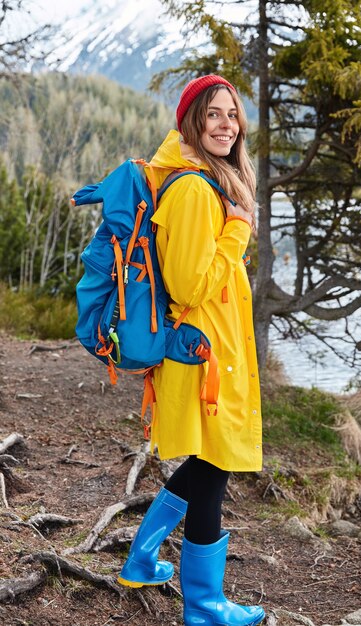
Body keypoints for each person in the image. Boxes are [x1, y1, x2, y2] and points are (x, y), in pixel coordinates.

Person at [118, 74, 264, 626]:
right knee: (213, 465)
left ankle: (144, 558)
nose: (226, 125)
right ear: (192, 122)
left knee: (210, 465)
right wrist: (236, 234)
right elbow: (189, 285)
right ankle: (203, 607)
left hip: (211, 351)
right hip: (202, 356)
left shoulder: (212, 186)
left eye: (233, 114)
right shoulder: (193, 191)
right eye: (214, 115)